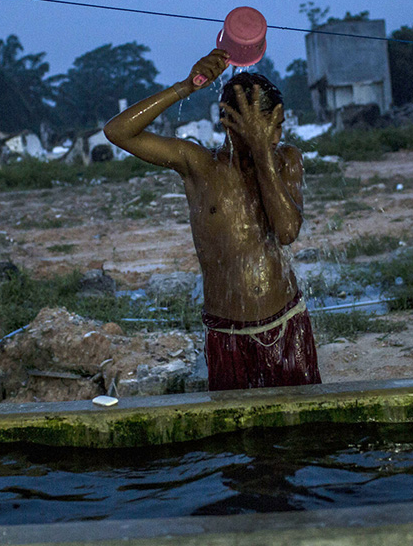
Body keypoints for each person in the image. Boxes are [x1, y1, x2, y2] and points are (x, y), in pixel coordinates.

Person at [103, 48, 321, 391]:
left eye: (278, 127)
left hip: (285, 326)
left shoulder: (285, 159)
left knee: (300, 431)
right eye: (267, 128)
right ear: (230, 124)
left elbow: (287, 230)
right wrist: (185, 87)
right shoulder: (200, 164)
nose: (276, 137)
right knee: (237, 436)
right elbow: (118, 132)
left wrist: (262, 149)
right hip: (226, 333)